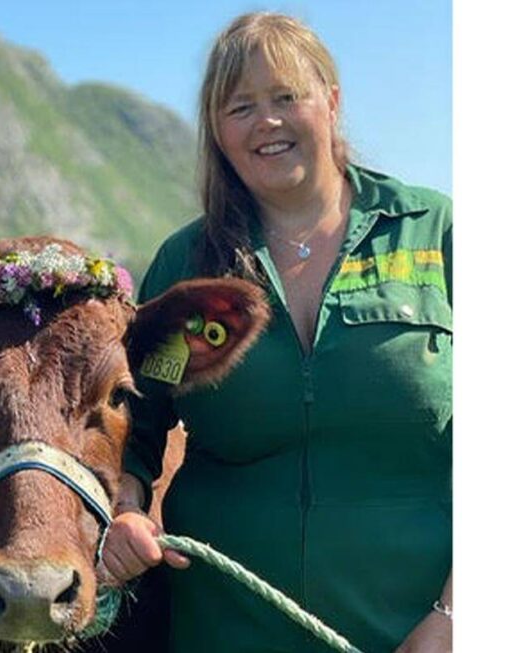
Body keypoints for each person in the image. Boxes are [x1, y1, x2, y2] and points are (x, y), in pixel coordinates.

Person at [102, 12, 452, 653]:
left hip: (417, 631)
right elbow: (134, 426)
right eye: (240, 106)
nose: (266, 121)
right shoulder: (190, 263)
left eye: (287, 96)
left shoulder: (435, 232)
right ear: (217, 129)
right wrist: (124, 507)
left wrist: (455, 619)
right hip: (225, 627)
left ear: (332, 102)